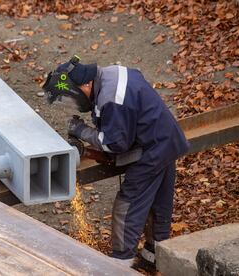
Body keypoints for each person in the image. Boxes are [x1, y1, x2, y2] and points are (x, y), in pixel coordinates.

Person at [42, 56, 189, 268]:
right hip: (166, 140)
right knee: (158, 202)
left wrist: (82, 131)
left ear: (85, 84)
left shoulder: (112, 98)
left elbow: (115, 144)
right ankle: (155, 257)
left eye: (72, 96)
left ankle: (121, 262)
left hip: (152, 150)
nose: (73, 102)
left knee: (128, 204)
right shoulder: (109, 74)